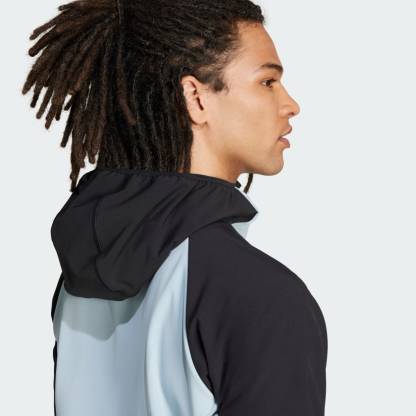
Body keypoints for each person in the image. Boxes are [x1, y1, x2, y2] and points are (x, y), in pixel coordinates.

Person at [22, 0, 328, 415]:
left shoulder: (80, 279)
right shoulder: (263, 298)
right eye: (267, 81)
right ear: (196, 98)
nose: (290, 104)